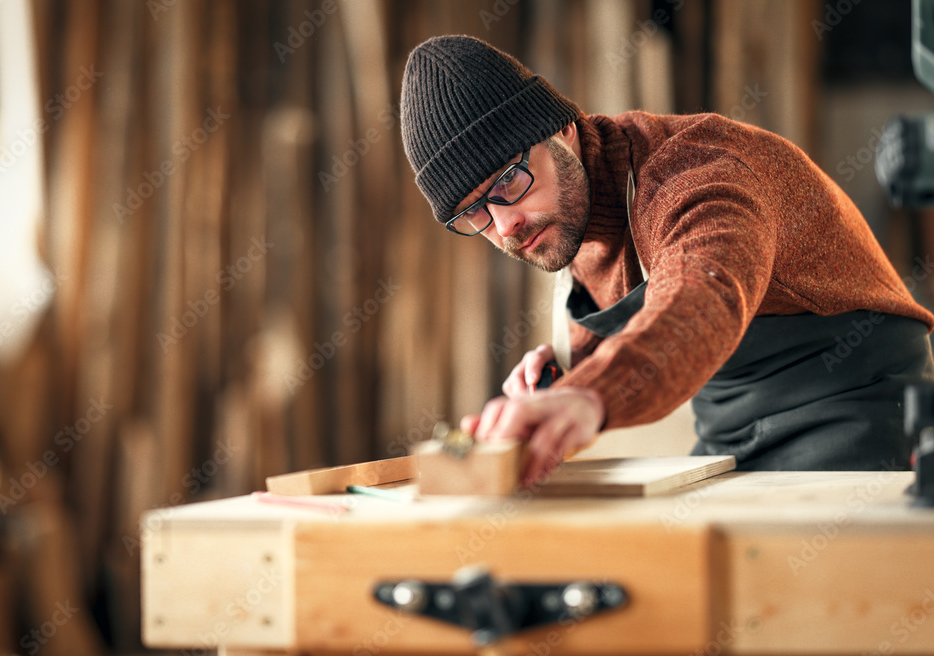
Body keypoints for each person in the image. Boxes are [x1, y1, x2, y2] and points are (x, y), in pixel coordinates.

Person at [398, 34, 934, 484]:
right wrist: (565, 380)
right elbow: (634, 311)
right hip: (728, 434)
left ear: (559, 129)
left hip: (857, 410)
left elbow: (702, 296)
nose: (505, 225)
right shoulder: (565, 214)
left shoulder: (694, 171)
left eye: (509, 180)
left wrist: (589, 395)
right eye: (474, 215)